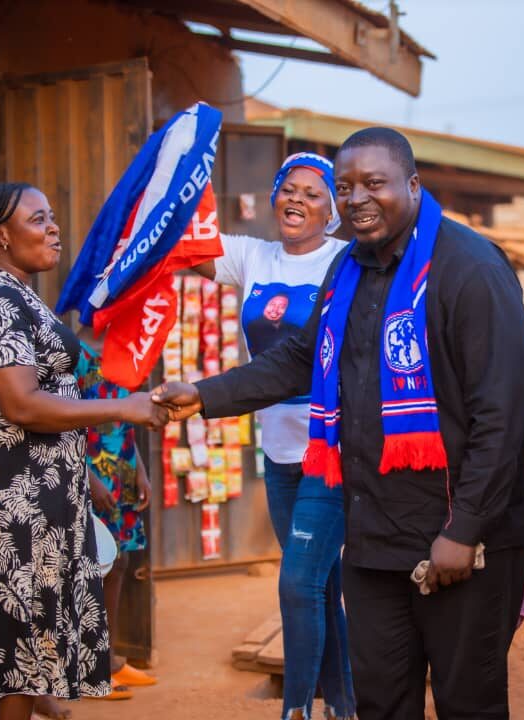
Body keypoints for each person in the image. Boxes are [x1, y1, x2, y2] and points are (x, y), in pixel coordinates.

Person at [155, 128, 524, 720]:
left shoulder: (470, 269)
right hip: (375, 537)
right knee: (381, 702)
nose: (358, 197)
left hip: (464, 541)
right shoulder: (348, 270)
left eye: (374, 183)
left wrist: (463, 531)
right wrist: (204, 395)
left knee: (469, 704)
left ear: (413, 186)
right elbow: (299, 359)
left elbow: (500, 415)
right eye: (346, 186)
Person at [0, 182, 167, 720]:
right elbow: (21, 405)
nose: (53, 228)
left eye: (53, 218)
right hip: (11, 500)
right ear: (1, 234)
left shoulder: (18, 293)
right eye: (39, 220)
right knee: (14, 650)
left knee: (26, 644)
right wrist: (123, 408)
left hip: (38, 497)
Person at [190, 151, 354, 720]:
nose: (297, 200)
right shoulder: (252, 255)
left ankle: (296, 711)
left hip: (330, 449)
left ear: (332, 211)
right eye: (289, 188)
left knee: (298, 581)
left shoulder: (345, 261)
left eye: (313, 193)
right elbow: (188, 245)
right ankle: (343, 703)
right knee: (320, 583)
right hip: (277, 446)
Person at [75, 332, 156, 702]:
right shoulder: (71, 353)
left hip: (119, 472)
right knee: (90, 570)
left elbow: (123, 421)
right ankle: (88, 667)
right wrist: (88, 479)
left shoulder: (123, 354)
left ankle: (108, 658)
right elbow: (59, 426)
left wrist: (139, 470)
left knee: (119, 563)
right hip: (86, 475)